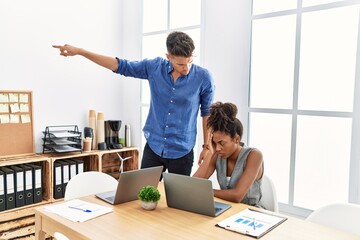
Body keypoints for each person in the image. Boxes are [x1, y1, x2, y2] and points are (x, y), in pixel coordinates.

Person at [53, 31, 215, 176]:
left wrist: (207, 146)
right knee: (143, 195)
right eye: (180, 64)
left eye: (189, 62)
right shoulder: (154, 67)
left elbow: (207, 113)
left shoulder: (203, 77)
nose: (186, 68)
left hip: (182, 150)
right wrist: (81, 52)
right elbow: (119, 65)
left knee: (178, 201)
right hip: (154, 145)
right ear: (168, 57)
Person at [193, 102, 264, 206]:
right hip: (227, 211)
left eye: (222, 143)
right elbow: (193, 184)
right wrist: (210, 152)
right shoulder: (217, 154)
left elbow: (237, 196)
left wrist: (206, 191)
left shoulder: (254, 155)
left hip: (251, 214)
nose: (217, 148)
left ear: (236, 139)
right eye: (214, 142)